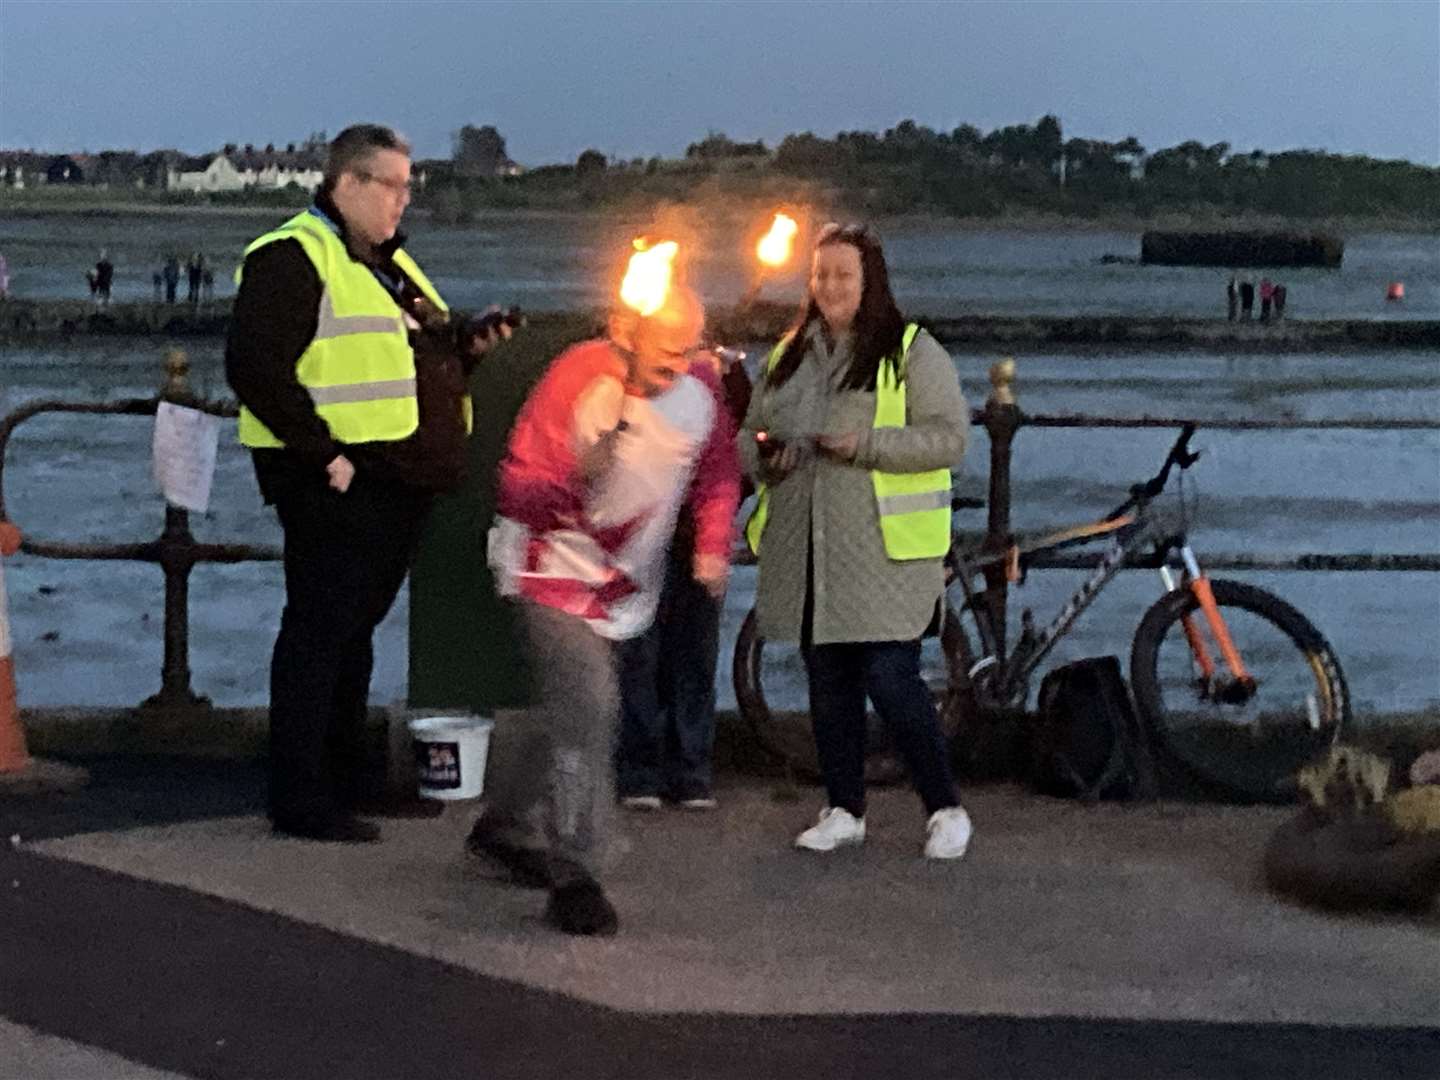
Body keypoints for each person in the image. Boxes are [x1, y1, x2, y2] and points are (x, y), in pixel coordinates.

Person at [224, 123, 508, 844]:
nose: (402, 202)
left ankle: (348, 779)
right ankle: (301, 795)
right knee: (320, 632)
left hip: (392, 474)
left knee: (354, 632)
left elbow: (410, 360)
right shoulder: (293, 255)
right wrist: (324, 455)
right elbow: (255, 368)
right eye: (392, 187)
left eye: (409, 187)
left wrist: (468, 347)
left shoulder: (386, 263)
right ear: (346, 183)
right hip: (332, 476)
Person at [474, 283, 741, 935]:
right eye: (666, 350)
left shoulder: (700, 392)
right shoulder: (576, 379)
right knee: (592, 704)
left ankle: (504, 823)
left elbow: (718, 472)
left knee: (564, 712)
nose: (678, 365)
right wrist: (577, 480)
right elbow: (518, 484)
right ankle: (577, 873)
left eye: (689, 349)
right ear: (627, 333)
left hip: (623, 583)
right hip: (548, 568)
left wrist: (711, 545)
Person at [739, 222, 973, 861]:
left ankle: (945, 807)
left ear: (870, 280)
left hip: (884, 552)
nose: (830, 286)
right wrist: (767, 459)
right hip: (809, 549)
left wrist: (863, 445)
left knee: (891, 677)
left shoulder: (911, 352)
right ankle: (843, 808)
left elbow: (950, 437)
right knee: (828, 680)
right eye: (820, 275)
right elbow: (749, 432)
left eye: (843, 274)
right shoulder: (789, 352)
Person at [615, 345, 751, 811]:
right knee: (644, 654)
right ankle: (650, 770)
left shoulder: (703, 379)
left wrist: (712, 544)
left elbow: (719, 465)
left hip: (684, 530)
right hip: (644, 530)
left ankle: (682, 769)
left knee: (685, 654)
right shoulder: (622, 372)